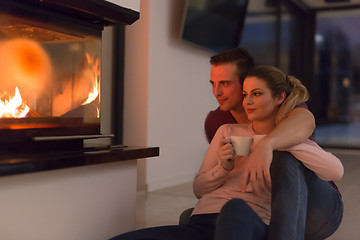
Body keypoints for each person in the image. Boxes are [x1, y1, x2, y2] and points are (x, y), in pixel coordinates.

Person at [108, 65, 343, 240]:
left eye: (257, 94)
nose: (248, 101)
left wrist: (269, 144)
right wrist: (223, 168)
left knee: (236, 208)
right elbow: (199, 189)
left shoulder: (288, 140)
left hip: (248, 222)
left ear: (280, 97)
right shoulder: (226, 130)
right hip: (201, 225)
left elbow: (335, 170)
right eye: (245, 94)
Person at [205, 47, 316, 193]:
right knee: (189, 215)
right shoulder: (216, 122)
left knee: (284, 158)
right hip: (256, 196)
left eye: (225, 83)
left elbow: (306, 120)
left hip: (303, 192)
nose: (216, 92)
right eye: (213, 83)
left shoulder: (282, 105)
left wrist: (266, 144)